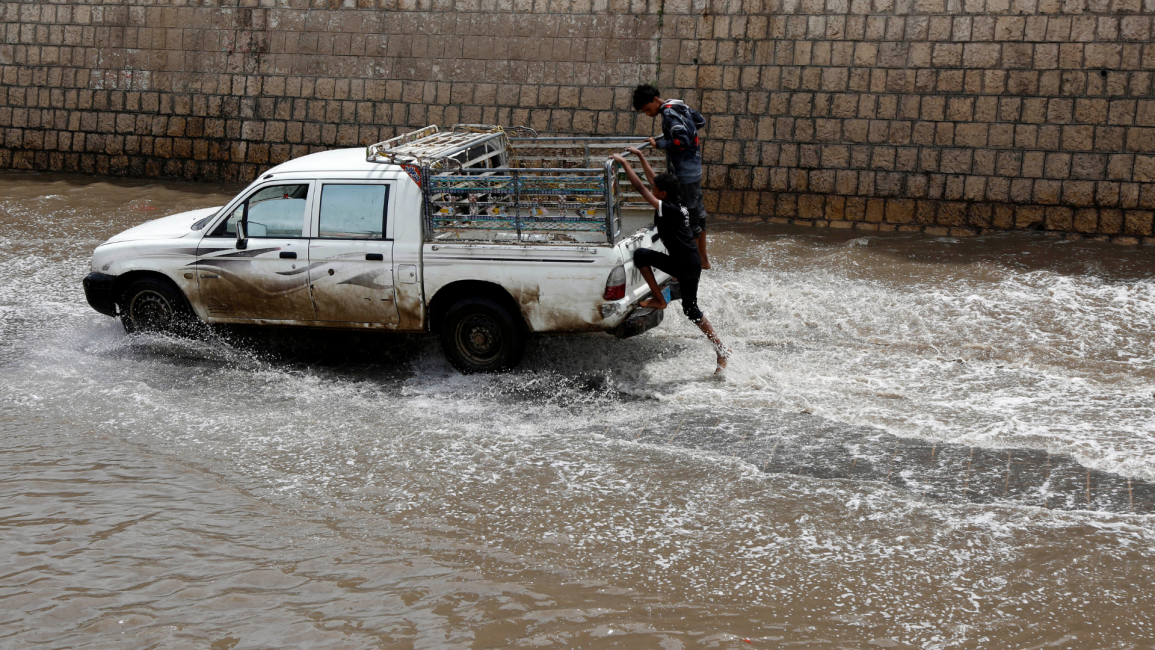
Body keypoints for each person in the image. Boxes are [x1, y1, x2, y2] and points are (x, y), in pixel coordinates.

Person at [611, 147, 728, 373]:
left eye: (656, 189)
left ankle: (659, 299)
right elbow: (654, 180)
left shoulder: (668, 207)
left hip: (683, 264)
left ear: (663, 194)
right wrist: (640, 156)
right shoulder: (677, 200)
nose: (653, 189)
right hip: (691, 261)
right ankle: (721, 350)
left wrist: (623, 164)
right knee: (691, 309)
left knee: (640, 255)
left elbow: (641, 188)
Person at [632, 84, 711, 270]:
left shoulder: (668, 113)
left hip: (684, 172)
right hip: (694, 168)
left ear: (655, 100)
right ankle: (703, 259)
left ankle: (691, 264)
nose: (649, 114)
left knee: (689, 219)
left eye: (648, 110)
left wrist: (658, 143)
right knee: (698, 214)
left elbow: (681, 141)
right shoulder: (678, 106)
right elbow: (700, 122)